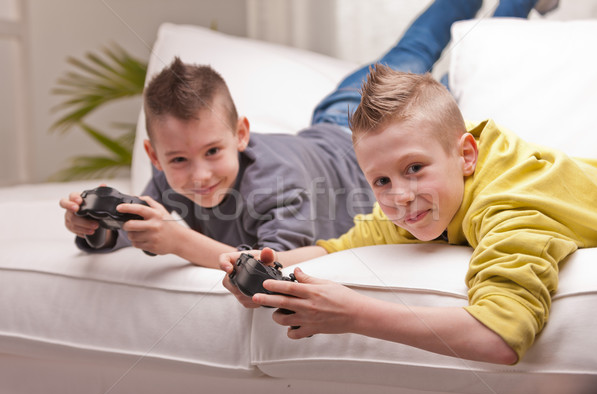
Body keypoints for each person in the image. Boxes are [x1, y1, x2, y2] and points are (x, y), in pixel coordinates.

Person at [219, 0, 595, 366]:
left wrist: (353, 314)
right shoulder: (424, 201)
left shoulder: (510, 203)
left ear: (466, 155)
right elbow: (336, 247)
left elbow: (499, 336)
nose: (399, 196)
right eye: (381, 180)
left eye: (414, 168)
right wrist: (261, 262)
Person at [59, 44, 382, 268]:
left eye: (212, 151)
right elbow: (135, 232)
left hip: (366, 139)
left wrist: (180, 241)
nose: (199, 175)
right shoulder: (166, 180)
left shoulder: (278, 183)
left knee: (415, 49)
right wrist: (99, 227)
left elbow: (273, 264)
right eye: (178, 160)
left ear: (241, 135)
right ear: (154, 157)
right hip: (324, 130)